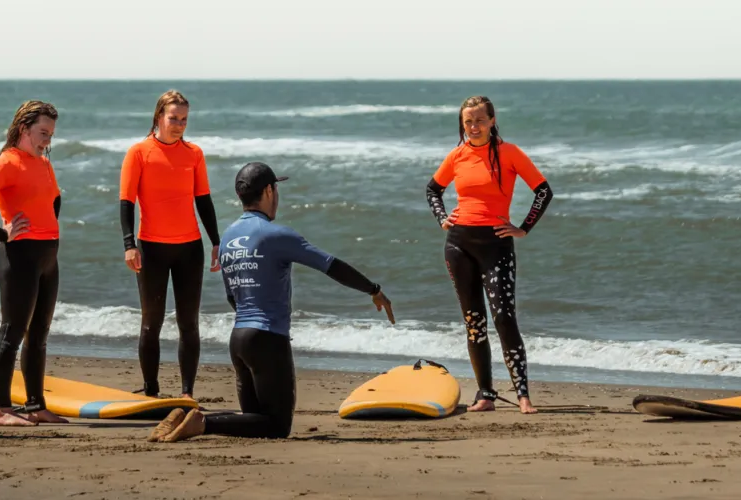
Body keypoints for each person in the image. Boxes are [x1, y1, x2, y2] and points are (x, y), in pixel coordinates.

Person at [151, 162, 395, 442]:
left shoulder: (229, 238)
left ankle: (184, 418)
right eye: (276, 188)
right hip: (267, 339)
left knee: (255, 425)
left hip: (238, 340)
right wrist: (373, 289)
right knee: (277, 427)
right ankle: (203, 423)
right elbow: (330, 265)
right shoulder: (277, 235)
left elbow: (232, 295)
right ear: (268, 190)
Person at [424, 95, 554, 415]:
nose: (473, 126)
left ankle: (523, 395)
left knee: (504, 319)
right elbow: (433, 189)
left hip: (496, 245)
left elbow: (543, 190)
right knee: (474, 323)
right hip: (459, 245)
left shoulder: (508, 153)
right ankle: (485, 395)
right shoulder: (457, 156)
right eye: (468, 121)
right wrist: (443, 217)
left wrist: (523, 227)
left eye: (480, 120)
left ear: (492, 121)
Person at [0, 100, 68, 427]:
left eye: (51, 133)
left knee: (39, 335)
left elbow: (54, 200)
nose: (47, 139)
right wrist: (0, 233)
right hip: (19, 257)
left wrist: (48, 228)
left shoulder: (43, 164)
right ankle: (3, 410)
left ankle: (36, 405)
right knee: (12, 333)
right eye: (42, 132)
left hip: (47, 258)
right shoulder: (7, 162)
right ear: (24, 128)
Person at [119, 90, 221, 399]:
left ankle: (187, 392)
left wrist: (216, 242)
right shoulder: (139, 152)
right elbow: (126, 201)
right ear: (158, 117)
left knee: (188, 323)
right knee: (152, 322)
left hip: (190, 248)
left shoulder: (194, 154)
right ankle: (151, 391)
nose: (179, 125)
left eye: (184, 119)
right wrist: (129, 244)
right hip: (151, 248)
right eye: (173, 118)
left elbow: (203, 200)